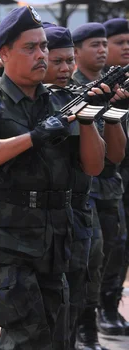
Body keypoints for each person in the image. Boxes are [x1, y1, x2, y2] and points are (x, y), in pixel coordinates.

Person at [0, 6, 106, 349]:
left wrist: (88, 121)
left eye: (43, 47)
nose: (41, 55)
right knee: (29, 336)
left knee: (56, 337)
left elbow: (94, 167)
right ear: (5, 52)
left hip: (55, 238)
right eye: (30, 48)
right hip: (5, 240)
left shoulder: (62, 101)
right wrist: (33, 137)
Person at [72, 21, 129, 344]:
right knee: (89, 253)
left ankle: (106, 309)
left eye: (104, 45)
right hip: (85, 186)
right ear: (77, 50)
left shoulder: (114, 86)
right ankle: (85, 320)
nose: (103, 50)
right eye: (95, 45)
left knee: (114, 248)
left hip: (110, 184)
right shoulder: (74, 87)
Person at [103, 17, 129, 337]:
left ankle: (110, 304)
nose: (127, 47)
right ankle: (101, 308)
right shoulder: (95, 87)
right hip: (108, 174)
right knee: (111, 241)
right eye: (119, 42)